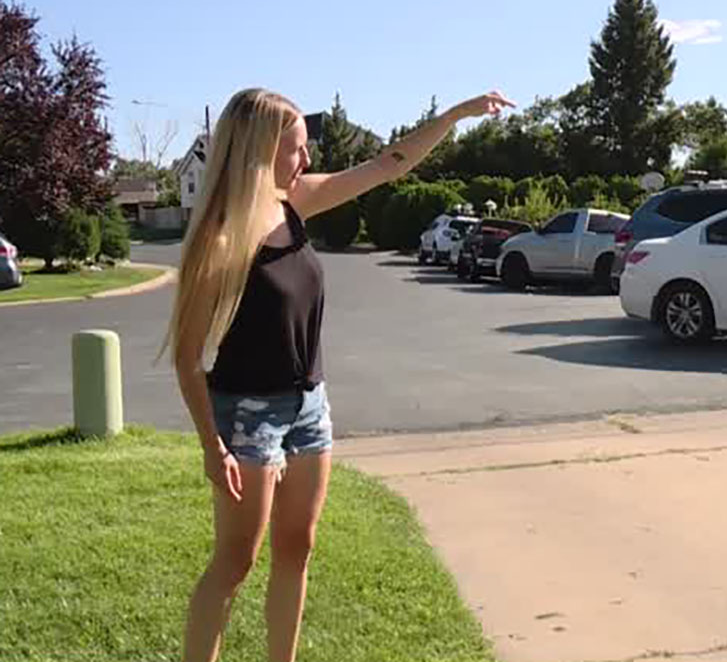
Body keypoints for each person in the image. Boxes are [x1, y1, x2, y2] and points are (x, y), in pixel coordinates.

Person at [164, 87, 514, 662]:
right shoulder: (221, 235)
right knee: (235, 561)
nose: (305, 161)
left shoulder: (292, 201)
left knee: (297, 547)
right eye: (296, 149)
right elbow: (186, 358)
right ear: (259, 151)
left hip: (309, 407)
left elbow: (387, 165)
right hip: (246, 415)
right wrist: (213, 445)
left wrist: (454, 116)